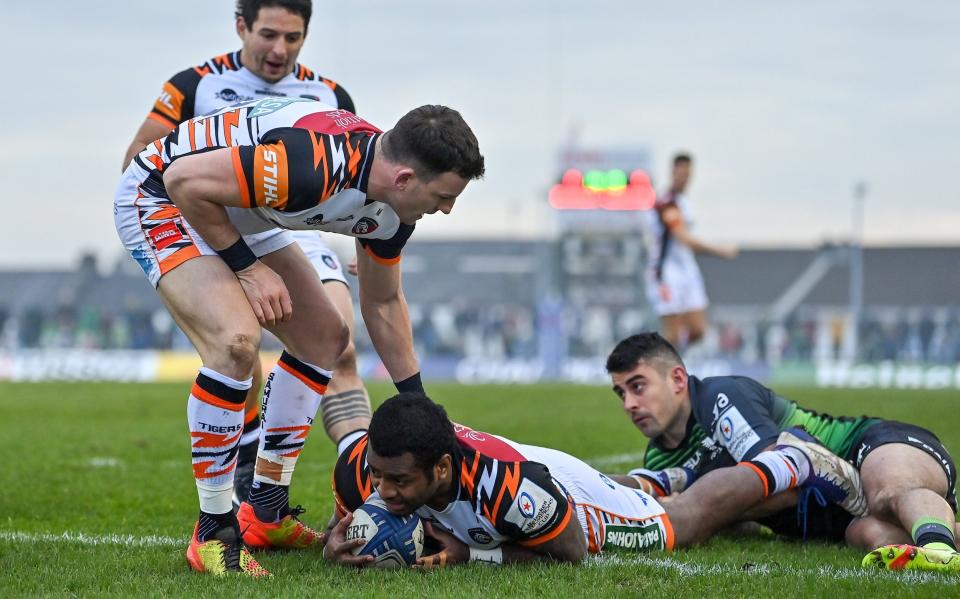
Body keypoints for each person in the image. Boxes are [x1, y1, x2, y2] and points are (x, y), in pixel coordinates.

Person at [114, 98, 484, 576]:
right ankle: (214, 532)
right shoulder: (313, 165)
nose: (448, 209)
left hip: (240, 209)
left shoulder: (393, 210)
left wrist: (419, 405)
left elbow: (383, 302)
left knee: (326, 336)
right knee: (235, 344)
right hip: (162, 193)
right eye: (444, 195)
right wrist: (247, 269)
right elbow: (184, 181)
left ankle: (265, 511)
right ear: (405, 179)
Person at [122, 0, 372, 509]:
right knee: (241, 344)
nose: (280, 50)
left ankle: (359, 476)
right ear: (241, 27)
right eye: (268, 35)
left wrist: (365, 240)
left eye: (293, 37)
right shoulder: (194, 85)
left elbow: (357, 177)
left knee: (336, 345)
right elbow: (137, 162)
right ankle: (245, 477)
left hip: (294, 230)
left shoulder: (328, 94)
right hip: (209, 220)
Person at [322, 393, 866, 567]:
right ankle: (661, 476)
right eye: (377, 477)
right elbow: (348, 427)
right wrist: (336, 541)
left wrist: (474, 555)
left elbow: (575, 552)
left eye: (398, 482)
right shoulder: (372, 467)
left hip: (571, 508)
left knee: (684, 522)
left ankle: (791, 461)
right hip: (542, 474)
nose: (382, 492)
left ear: (442, 469)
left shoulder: (509, 491)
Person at [605, 332, 960, 573]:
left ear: (678, 380)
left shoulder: (719, 399)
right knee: (872, 537)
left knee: (888, 494)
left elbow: (782, 482)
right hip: (835, 518)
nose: (630, 404)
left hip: (865, 447)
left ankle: (939, 552)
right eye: (621, 394)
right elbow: (740, 522)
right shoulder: (658, 459)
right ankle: (942, 535)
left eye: (638, 387)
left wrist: (699, 507)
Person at [643, 153, 736, 348]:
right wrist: (719, 250)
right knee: (673, 333)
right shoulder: (666, 202)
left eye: (687, 173)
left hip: (687, 269)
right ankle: (659, 368)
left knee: (698, 330)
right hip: (667, 272)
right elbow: (683, 237)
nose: (684, 177)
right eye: (680, 172)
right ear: (672, 172)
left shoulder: (684, 203)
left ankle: (665, 359)